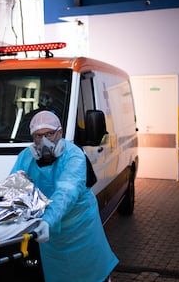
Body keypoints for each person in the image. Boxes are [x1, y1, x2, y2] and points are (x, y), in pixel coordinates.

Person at [10, 110, 118, 282]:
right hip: (51, 232)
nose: (43, 141)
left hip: (79, 227)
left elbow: (66, 192)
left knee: (90, 272)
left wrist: (47, 220)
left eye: (49, 134)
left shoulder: (74, 156)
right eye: (38, 136)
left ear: (60, 133)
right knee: (58, 273)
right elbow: (13, 187)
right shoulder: (26, 157)